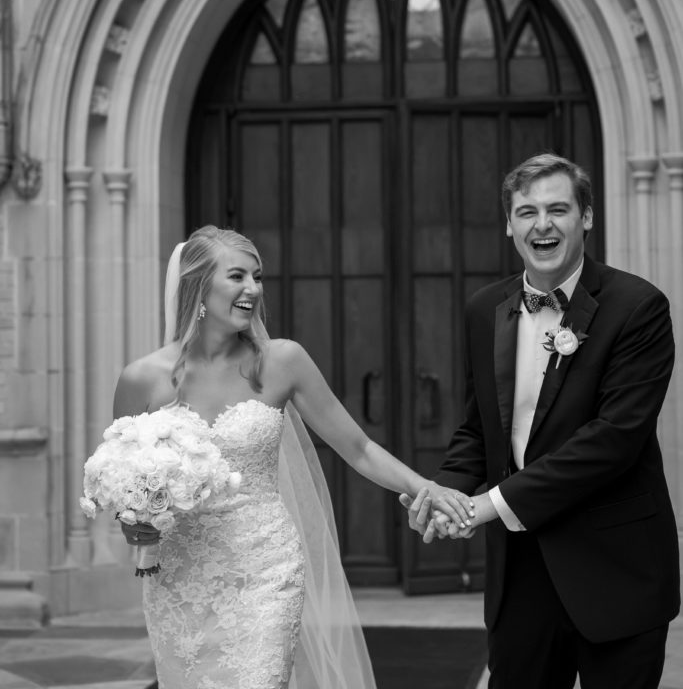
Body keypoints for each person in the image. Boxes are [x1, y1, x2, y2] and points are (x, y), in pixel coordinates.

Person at [113, 225, 474, 689]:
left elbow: (359, 448)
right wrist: (133, 522)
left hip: (265, 569)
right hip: (180, 576)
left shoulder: (283, 361)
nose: (253, 289)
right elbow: (122, 482)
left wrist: (426, 487)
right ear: (198, 286)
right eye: (238, 276)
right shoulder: (142, 378)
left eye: (258, 277)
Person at [401, 153, 680, 689]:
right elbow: (478, 428)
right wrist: (444, 494)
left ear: (587, 217)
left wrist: (487, 505)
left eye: (558, 209)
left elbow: (613, 441)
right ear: (509, 224)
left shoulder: (638, 306)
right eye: (527, 212)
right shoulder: (485, 308)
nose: (542, 224)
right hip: (520, 571)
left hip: (615, 567)